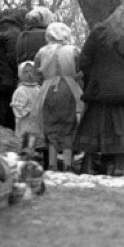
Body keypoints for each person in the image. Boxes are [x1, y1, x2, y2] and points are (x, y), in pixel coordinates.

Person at [73, 1, 124, 176]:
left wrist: (92, 81)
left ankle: (88, 164)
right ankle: (118, 165)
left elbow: (84, 61)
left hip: (99, 91)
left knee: (94, 125)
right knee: (122, 128)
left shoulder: (98, 32)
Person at [35, 22, 83, 172]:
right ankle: (68, 164)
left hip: (47, 90)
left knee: (50, 125)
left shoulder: (42, 52)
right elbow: (81, 70)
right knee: (69, 125)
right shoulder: (74, 51)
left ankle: (52, 163)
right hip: (70, 89)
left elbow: (37, 73)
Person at [10, 62, 41, 156]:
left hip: (37, 122)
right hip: (24, 122)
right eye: (26, 72)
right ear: (20, 74)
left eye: (32, 71)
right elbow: (16, 105)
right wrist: (27, 110)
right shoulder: (20, 90)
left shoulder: (39, 88)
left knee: (35, 141)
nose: (29, 74)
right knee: (23, 141)